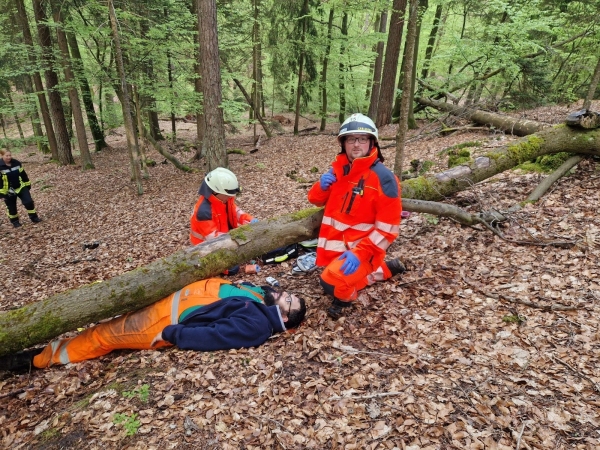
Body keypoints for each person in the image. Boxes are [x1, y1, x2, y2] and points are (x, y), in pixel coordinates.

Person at [1, 278, 306, 372]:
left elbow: (214, 336)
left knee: (102, 336)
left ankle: (38, 359)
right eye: (290, 294)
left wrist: (171, 333)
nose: (285, 296)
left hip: (161, 322)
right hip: (166, 302)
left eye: (289, 303)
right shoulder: (258, 299)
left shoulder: (258, 325)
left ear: (286, 320)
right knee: (106, 322)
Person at [307, 113, 405, 320]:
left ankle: (347, 298)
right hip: (338, 247)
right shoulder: (340, 170)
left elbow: (388, 229)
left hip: (364, 250)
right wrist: (320, 187)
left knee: (331, 282)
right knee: (330, 279)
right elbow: (315, 200)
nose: (356, 144)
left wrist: (360, 253)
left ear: (372, 142)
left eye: (362, 139)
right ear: (344, 144)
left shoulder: (384, 178)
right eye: (351, 139)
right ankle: (383, 271)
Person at [190, 167, 258, 274]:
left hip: (225, 237)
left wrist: (250, 220)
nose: (230, 197)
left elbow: (235, 211)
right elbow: (214, 239)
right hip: (206, 249)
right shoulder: (204, 212)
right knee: (232, 269)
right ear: (215, 191)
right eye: (228, 194)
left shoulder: (223, 199)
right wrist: (239, 236)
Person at [0, 149, 41, 228]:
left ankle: (34, 218)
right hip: (8, 190)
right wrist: (2, 194)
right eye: (7, 156)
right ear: (2, 156)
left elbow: (23, 174)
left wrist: (27, 184)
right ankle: (15, 222)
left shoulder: (16, 163)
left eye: (10, 155)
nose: (9, 157)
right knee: (11, 207)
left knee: (28, 202)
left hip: (20, 186)